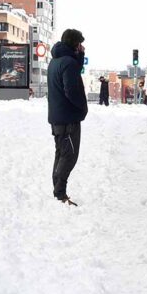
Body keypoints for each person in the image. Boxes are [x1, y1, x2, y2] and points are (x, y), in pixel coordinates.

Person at [47, 29, 89, 206]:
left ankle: (58, 191)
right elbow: (71, 90)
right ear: (74, 44)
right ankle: (60, 194)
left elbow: (73, 70)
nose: (82, 47)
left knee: (61, 154)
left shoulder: (56, 61)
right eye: (80, 44)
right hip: (68, 118)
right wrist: (82, 107)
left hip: (58, 117)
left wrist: (78, 57)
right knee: (69, 156)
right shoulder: (68, 63)